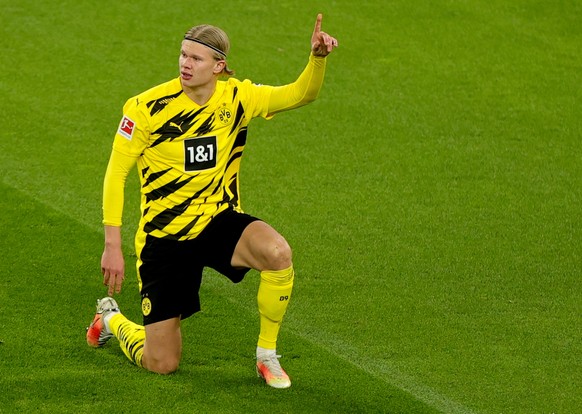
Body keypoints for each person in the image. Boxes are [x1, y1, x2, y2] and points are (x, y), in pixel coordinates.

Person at [86, 13, 338, 389]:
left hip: (217, 221)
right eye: (183, 55)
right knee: (162, 363)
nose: (185, 64)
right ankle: (111, 320)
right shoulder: (146, 108)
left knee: (277, 253)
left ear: (219, 66)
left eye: (196, 58)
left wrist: (317, 59)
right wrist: (112, 245)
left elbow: (301, 94)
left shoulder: (238, 96)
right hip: (165, 238)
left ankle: (267, 356)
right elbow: (115, 173)